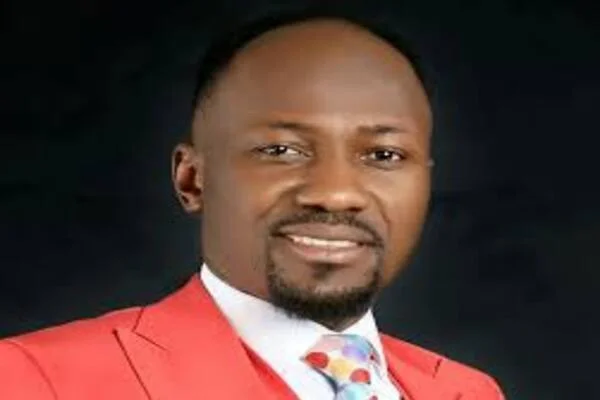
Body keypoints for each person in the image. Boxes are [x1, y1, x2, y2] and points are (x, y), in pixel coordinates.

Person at [0, 7, 505, 400]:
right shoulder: (34, 379)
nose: (336, 192)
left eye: (384, 155)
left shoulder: (469, 391)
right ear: (192, 180)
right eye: (281, 150)